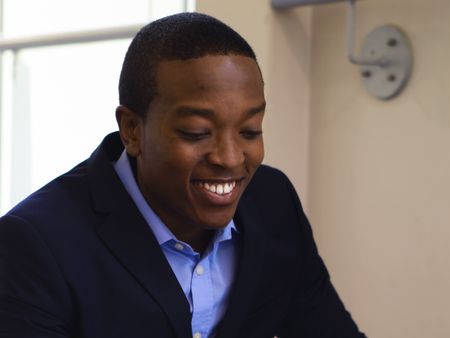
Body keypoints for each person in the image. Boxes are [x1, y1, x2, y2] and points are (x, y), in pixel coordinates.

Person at [0, 12, 366, 338]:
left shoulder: (272, 203)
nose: (229, 157)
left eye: (250, 131)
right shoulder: (34, 245)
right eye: (196, 132)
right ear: (131, 130)